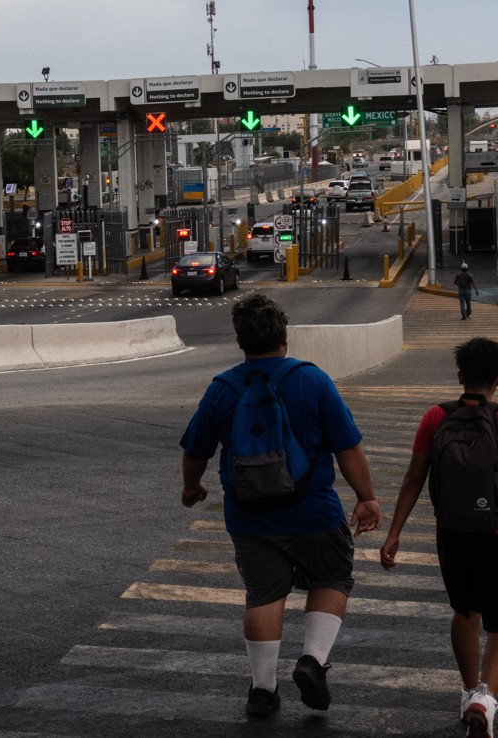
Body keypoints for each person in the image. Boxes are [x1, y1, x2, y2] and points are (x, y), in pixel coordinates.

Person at [180, 293, 382, 718]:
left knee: (264, 593)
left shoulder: (222, 388)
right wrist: (366, 497)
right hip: (314, 510)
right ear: (285, 337)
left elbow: (196, 448)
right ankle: (312, 660)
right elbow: (348, 448)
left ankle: (263, 688)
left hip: (249, 516)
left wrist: (192, 486)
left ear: (240, 341)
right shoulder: (313, 380)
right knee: (331, 575)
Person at [380, 338, 498, 738]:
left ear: (460, 377)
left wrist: (394, 534)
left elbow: (414, 478)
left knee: (465, 611)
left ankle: (469, 692)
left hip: (451, 536)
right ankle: (487, 698)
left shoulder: (436, 417)